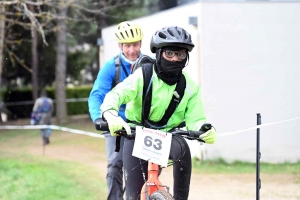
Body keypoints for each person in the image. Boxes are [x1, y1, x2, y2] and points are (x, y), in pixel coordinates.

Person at [100, 26, 216, 200]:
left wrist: (204, 128)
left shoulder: (190, 86)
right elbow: (116, 95)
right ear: (159, 53)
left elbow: (196, 119)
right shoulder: (143, 75)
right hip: (135, 135)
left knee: (183, 147)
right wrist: (110, 114)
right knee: (134, 195)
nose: (175, 59)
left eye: (181, 55)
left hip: (166, 137)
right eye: (169, 54)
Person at [88, 21, 144, 200]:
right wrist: (98, 118)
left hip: (141, 123)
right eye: (127, 46)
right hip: (115, 123)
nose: (132, 50)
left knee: (147, 166)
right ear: (120, 46)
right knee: (115, 163)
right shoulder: (112, 67)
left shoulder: (149, 65)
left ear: (141, 44)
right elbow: (97, 95)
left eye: (135, 44)